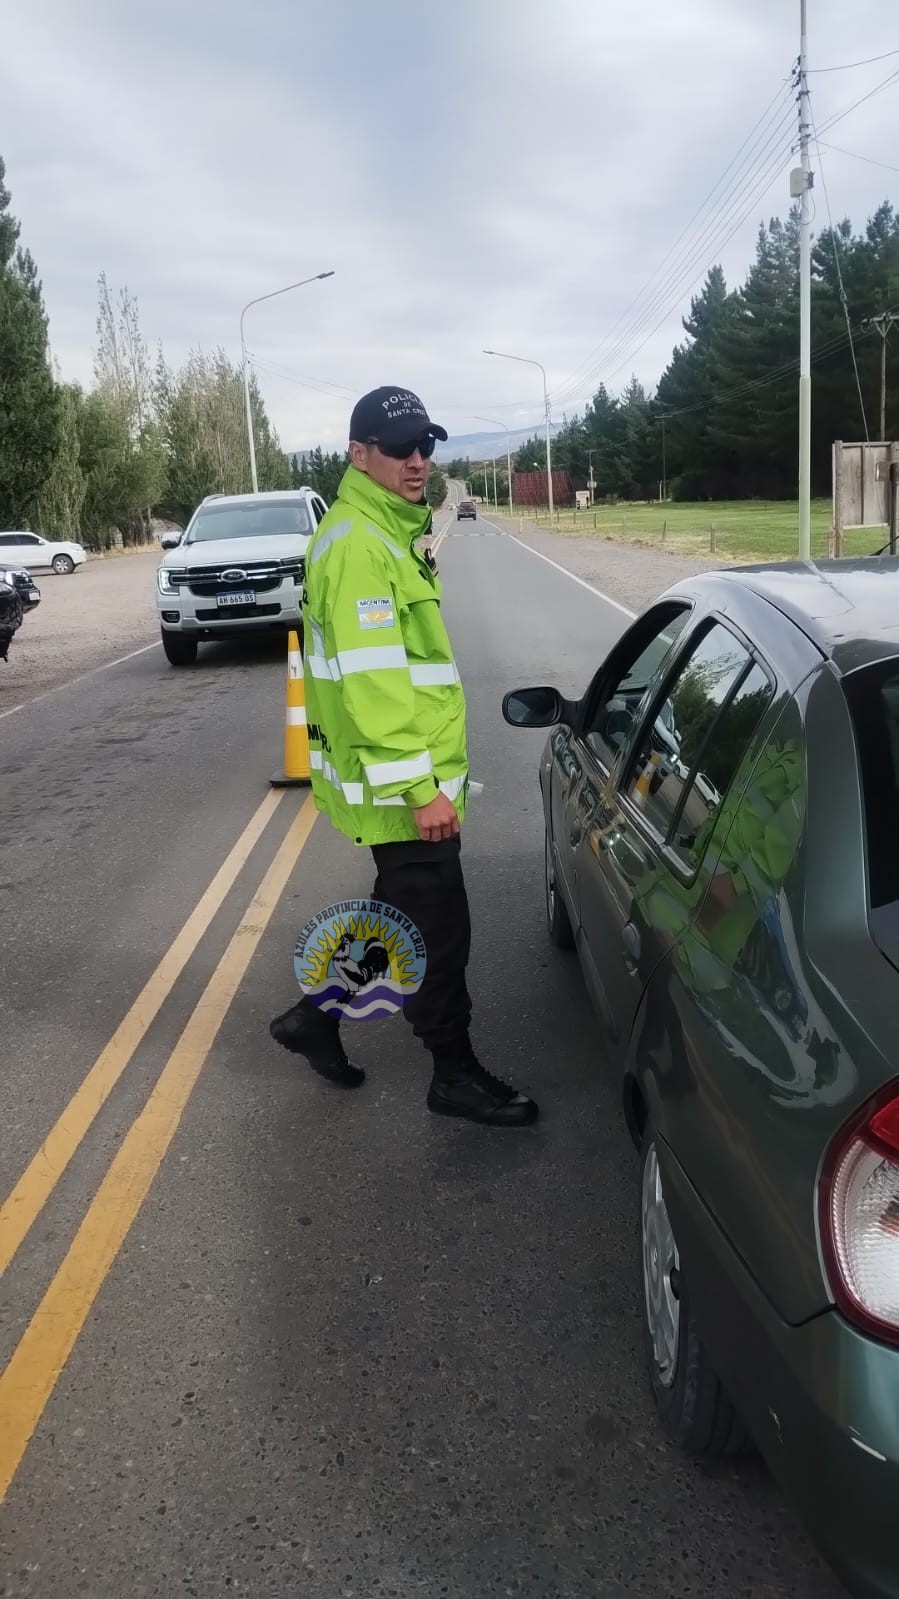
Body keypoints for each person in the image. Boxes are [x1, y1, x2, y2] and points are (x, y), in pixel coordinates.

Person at [270, 386, 538, 1127]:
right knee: (437, 932)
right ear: (359, 454)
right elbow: (375, 685)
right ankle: (451, 1072)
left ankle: (315, 1017)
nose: (417, 460)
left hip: (399, 779)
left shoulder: (384, 529)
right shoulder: (359, 544)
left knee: (399, 913)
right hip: (398, 787)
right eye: (399, 448)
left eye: (426, 445)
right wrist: (421, 790)